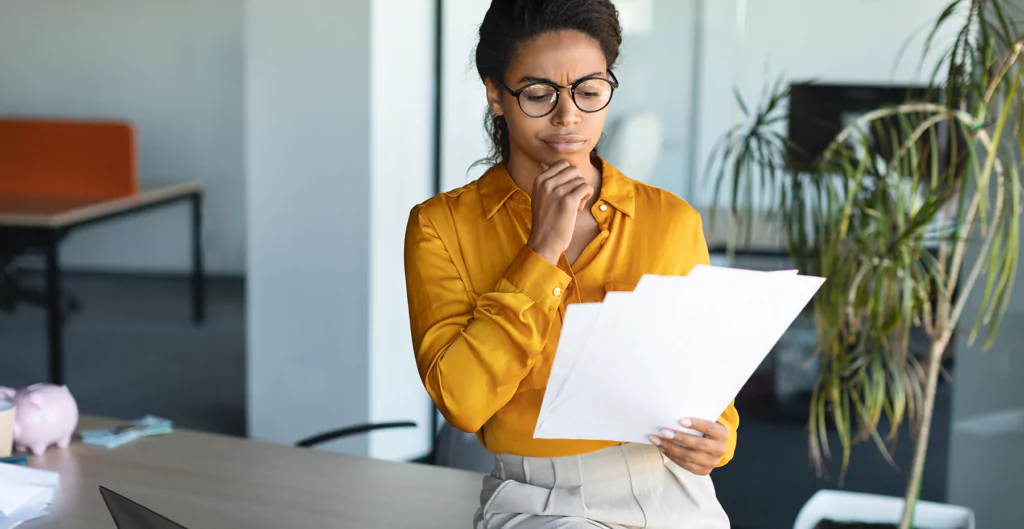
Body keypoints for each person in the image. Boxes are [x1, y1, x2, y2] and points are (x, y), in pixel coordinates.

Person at [404, 1, 737, 527]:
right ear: (496, 95)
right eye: (539, 95)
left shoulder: (671, 220)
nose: (569, 116)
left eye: (589, 91)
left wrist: (717, 439)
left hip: (673, 488)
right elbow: (463, 404)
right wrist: (540, 252)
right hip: (538, 496)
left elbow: (703, 379)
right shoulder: (441, 227)